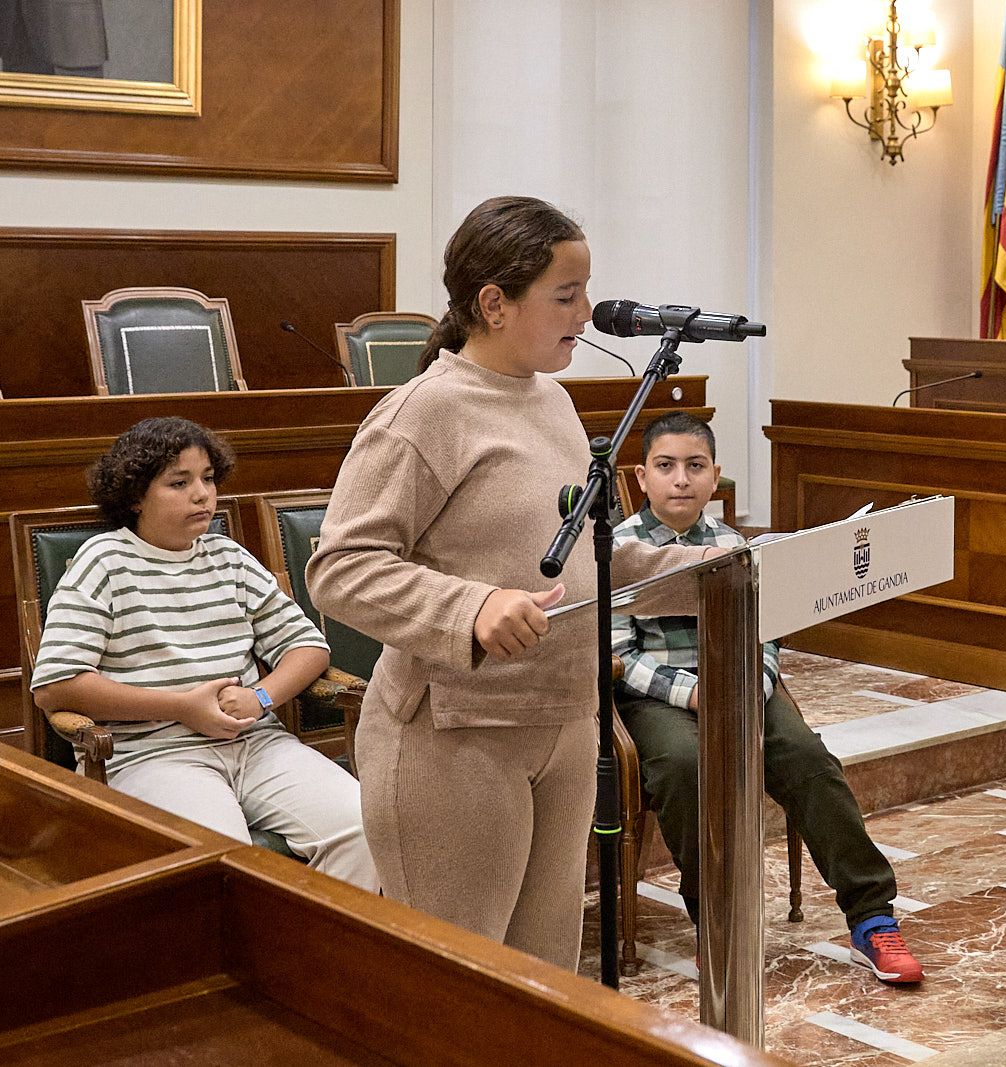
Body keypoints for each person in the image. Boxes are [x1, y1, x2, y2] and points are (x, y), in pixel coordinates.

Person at [305, 196, 711, 970]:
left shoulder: (551, 401)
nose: (587, 313)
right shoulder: (421, 414)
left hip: (564, 721)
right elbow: (341, 568)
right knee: (456, 990)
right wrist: (472, 604)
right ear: (493, 303)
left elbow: (587, 557)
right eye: (566, 295)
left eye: (586, 291)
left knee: (542, 980)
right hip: (454, 737)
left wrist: (709, 574)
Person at [612, 412, 924, 985]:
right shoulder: (618, 549)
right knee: (685, 766)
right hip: (659, 695)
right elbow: (620, 657)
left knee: (807, 760)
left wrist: (745, 690)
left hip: (739, 684)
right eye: (665, 466)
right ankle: (718, 920)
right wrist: (696, 695)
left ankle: (872, 915)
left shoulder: (736, 544)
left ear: (715, 476)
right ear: (641, 476)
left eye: (695, 466)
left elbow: (766, 634)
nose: (681, 479)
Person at [30, 417, 377, 890]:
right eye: (179, 482)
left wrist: (261, 697)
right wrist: (181, 707)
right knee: (225, 862)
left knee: (364, 828)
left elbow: (307, 646)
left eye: (208, 478)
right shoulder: (101, 562)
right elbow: (56, 686)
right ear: (134, 495)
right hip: (152, 755)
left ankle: (319, 958)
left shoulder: (228, 556)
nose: (202, 494)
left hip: (256, 745)